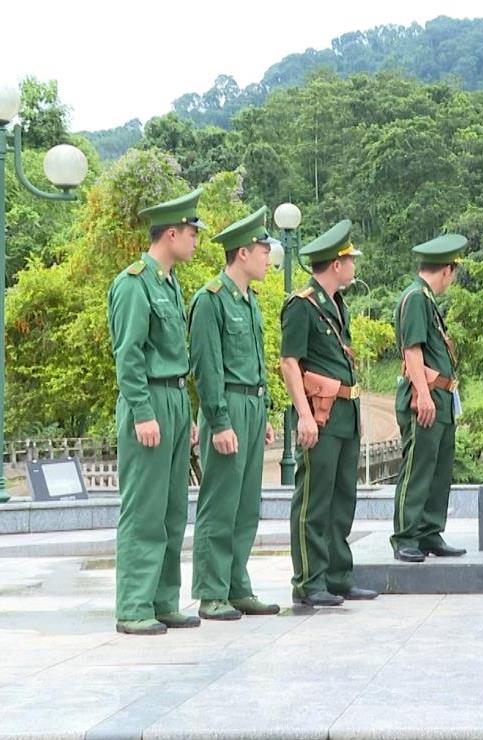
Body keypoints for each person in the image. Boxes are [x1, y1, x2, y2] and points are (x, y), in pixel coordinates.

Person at [108, 188, 206, 635]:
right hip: (147, 399)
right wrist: (144, 412)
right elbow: (128, 355)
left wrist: (182, 417)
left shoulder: (168, 282)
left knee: (171, 509)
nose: (196, 241)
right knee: (144, 509)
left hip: (174, 398)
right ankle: (133, 606)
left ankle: (164, 600)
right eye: (192, 232)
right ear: (171, 233)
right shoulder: (133, 283)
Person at [279, 219, 378, 606]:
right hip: (320, 416)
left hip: (344, 415)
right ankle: (309, 581)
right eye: (350, 259)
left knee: (342, 498)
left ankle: (338, 576)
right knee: (314, 499)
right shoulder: (302, 306)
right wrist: (303, 415)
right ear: (336, 265)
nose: (354, 265)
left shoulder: (337, 305)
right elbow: (290, 363)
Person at [189, 206, 279, 621]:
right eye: (262, 249)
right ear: (242, 253)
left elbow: (256, 359)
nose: (267, 256)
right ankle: (211, 591)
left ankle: (236, 584)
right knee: (220, 502)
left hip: (252, 404)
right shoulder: (210, 300)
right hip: (226, 405)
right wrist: (220, 421)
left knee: (246, 503)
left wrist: (266, 413)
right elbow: (207, 368)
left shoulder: (250, 302)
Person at [391, 234, 469, 563]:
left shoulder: (426, 300)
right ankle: (406, 536)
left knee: (438, 469)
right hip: (426, 397)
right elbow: (412, 350)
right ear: (447, 270)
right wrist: (423, 395)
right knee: (418, 467)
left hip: (442, 398)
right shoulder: (415, 298)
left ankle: (429, 532)